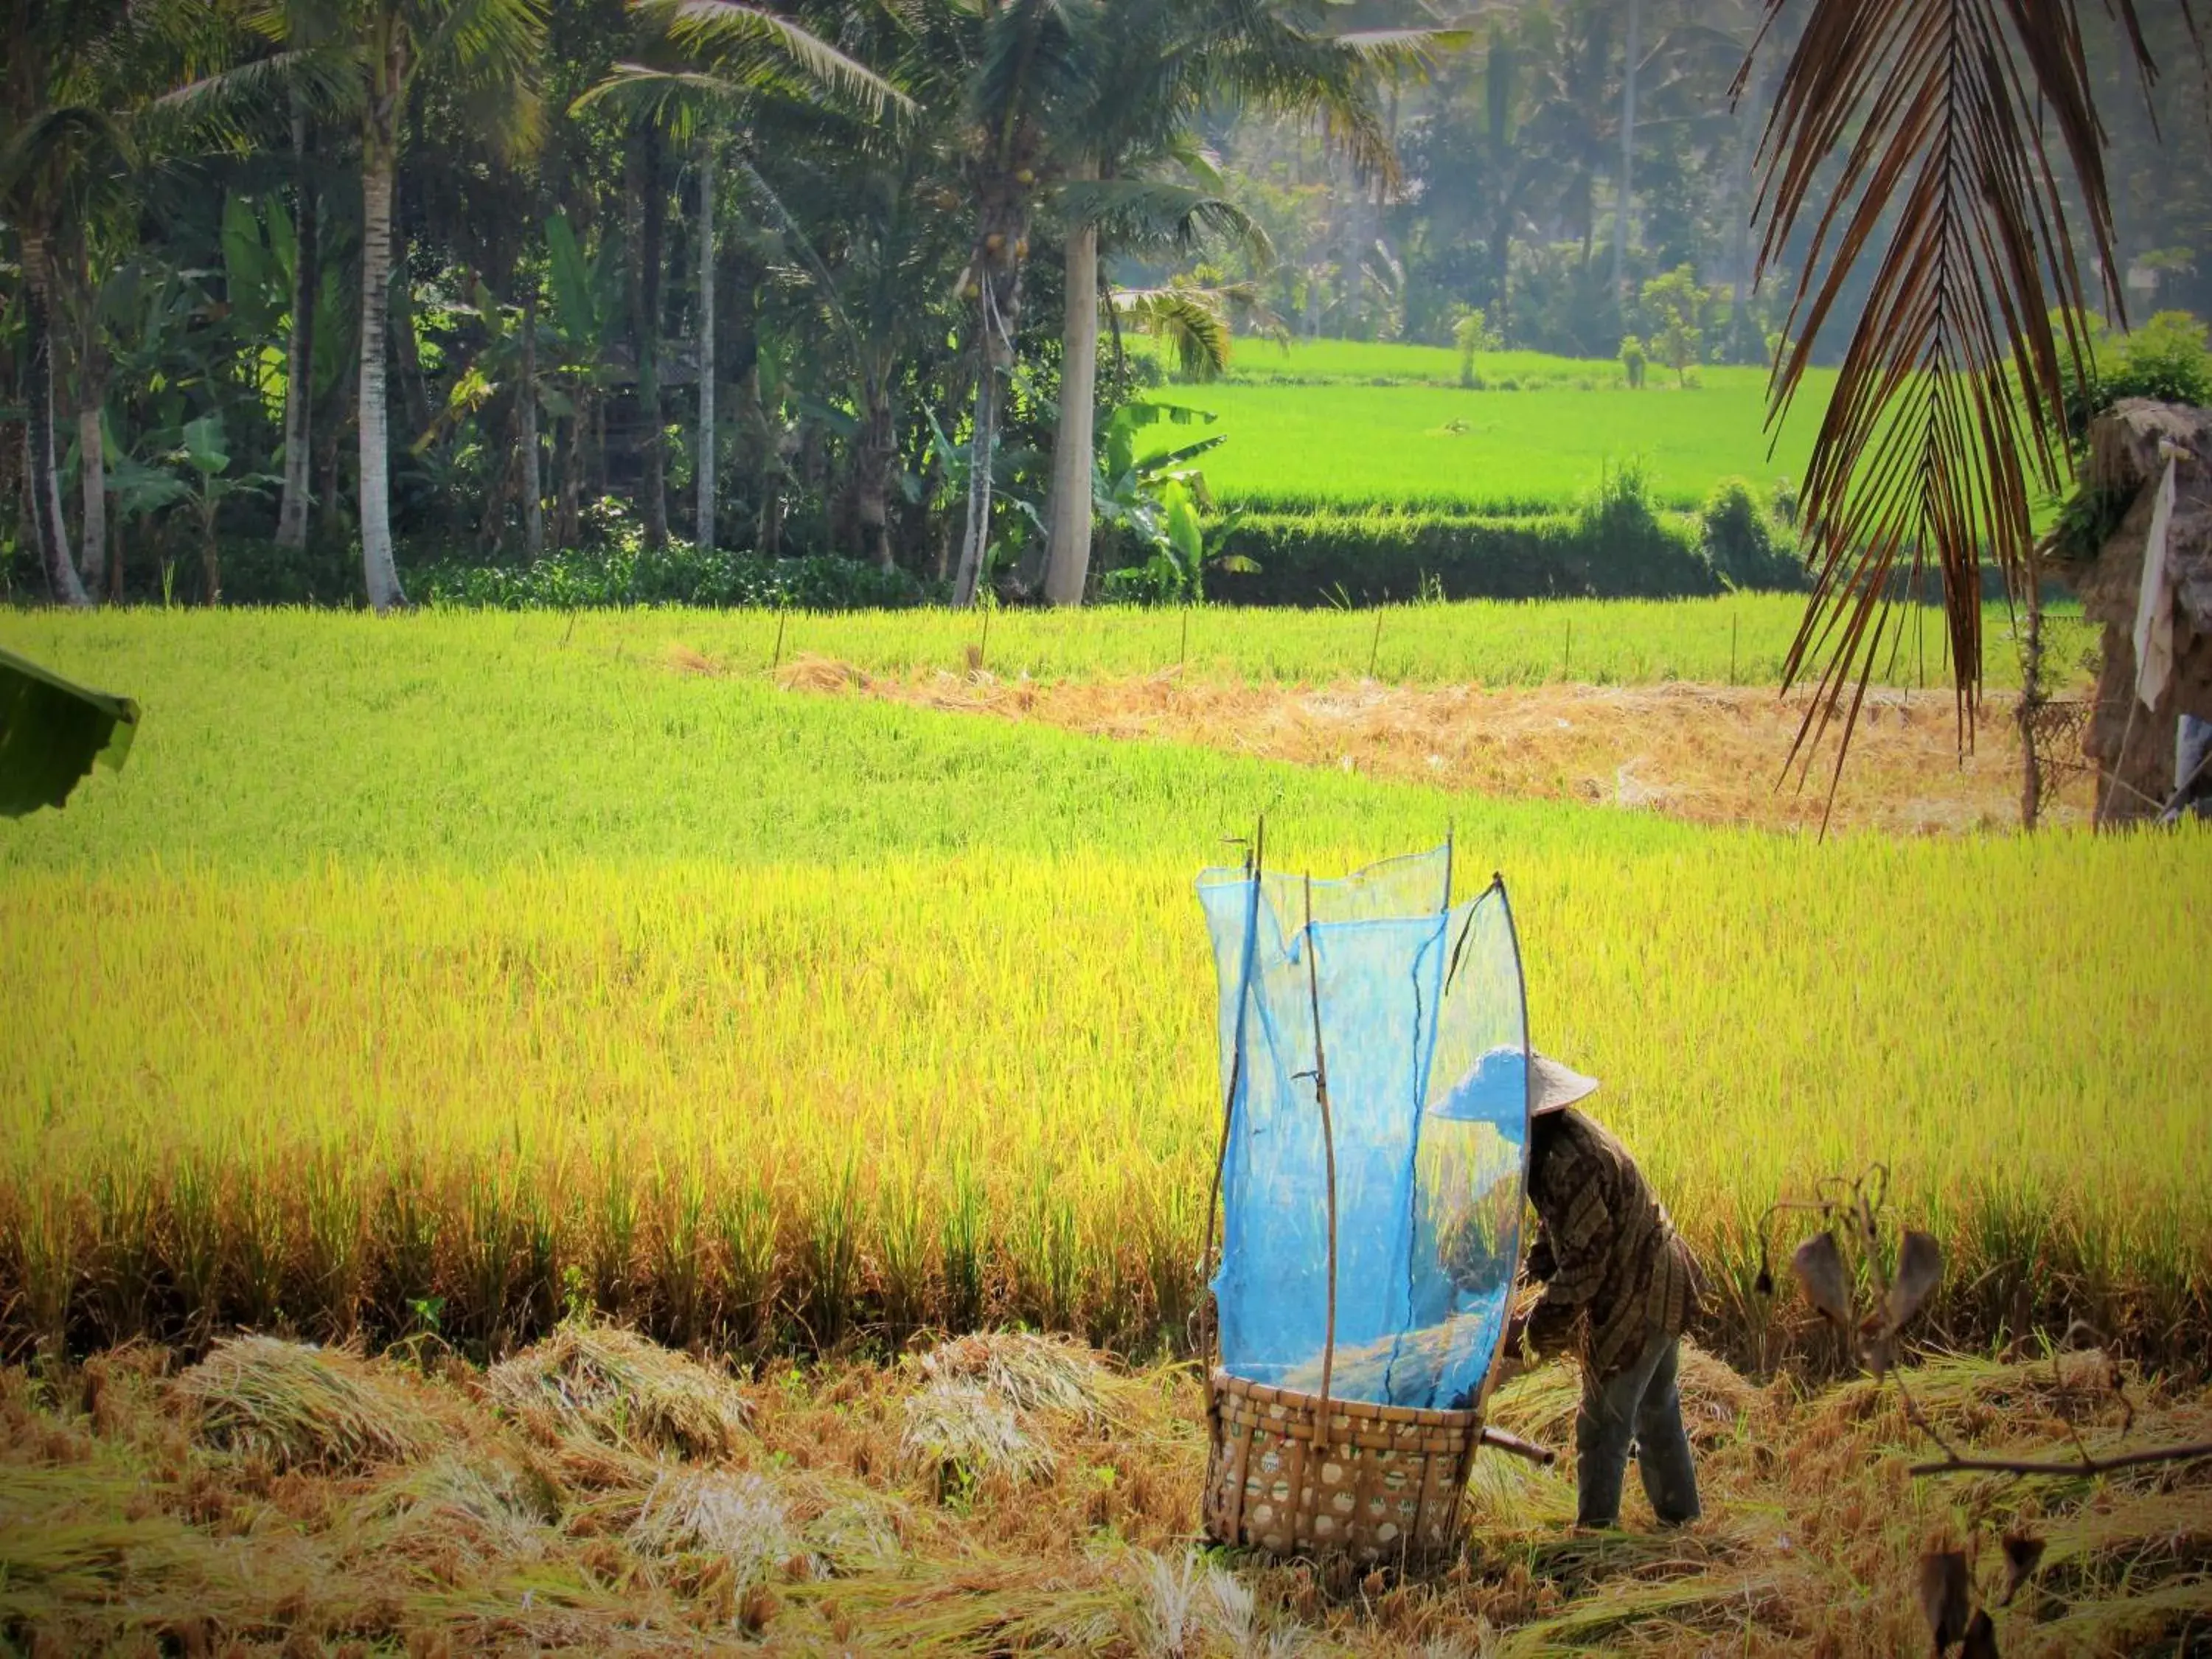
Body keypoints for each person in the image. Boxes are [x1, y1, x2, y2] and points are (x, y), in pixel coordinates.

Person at [1502, 1054, 1705, 1531]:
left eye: (1505, 1118)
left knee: (1601, 1427)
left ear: (1531, 1113)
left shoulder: (1568, 1161)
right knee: (1656, 1407)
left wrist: (1533, 1333)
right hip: (1660, 1277)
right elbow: (1562, 1227)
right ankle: (1681, 1523)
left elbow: (1586, 1268)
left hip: (1640, 1294)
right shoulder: (1557, 1143)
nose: (1499, 1129)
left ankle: (1595, 1537)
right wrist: (1531, 1274)